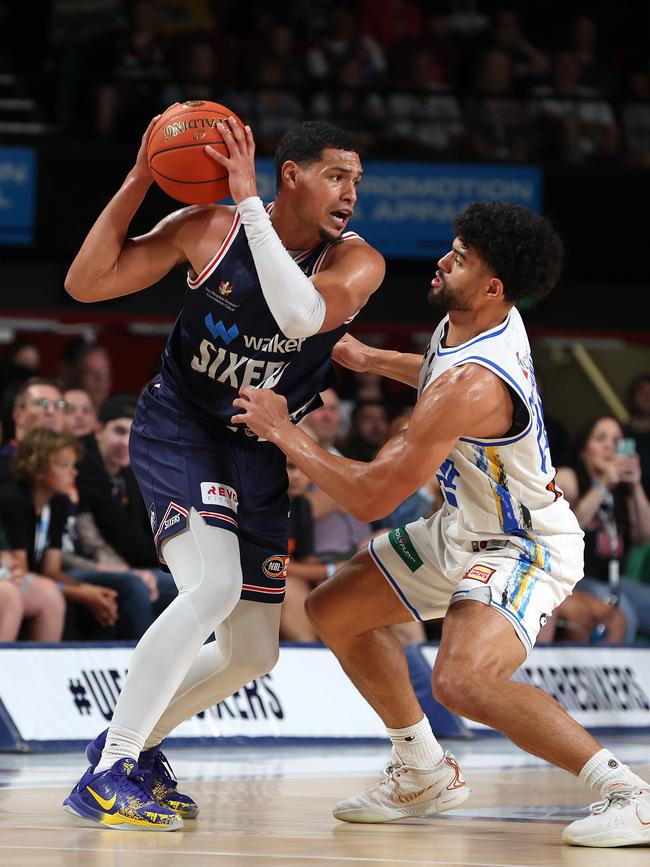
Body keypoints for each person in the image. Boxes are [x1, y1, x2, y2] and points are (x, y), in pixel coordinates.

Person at [233, 201, 650, 848]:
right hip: (464, 525)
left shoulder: (475, 383)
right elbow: (436, 375)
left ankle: (630, 792)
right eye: (450, 248)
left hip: (524, 543)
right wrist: (374, 360)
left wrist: (285, 432)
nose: (441, 261)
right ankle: (422, 768)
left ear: (492, 285)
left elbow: (372, 495)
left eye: (459, 258)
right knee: (335, 608)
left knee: (462, 680)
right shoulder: (477, 319)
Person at [62, 115, 385, 829]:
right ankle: (112, 768)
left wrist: (247, 204)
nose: (351, 193)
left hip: (258, 446)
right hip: (181, 425)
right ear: (291, 175)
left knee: (254, 651)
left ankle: (132, 746)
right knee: (212, 586)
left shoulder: (357, 263)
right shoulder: (207, 229)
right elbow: (85, 284)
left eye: (357, 180)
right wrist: (141, 176)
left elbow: (300, 316)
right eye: (337, 175)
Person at [555, 415, 650, 643]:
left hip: (616, 582)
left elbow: (643, 536)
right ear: (583, 449)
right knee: (623, 615)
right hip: (578, 579)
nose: (610, 446)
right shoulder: (569, 478)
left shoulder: (623, 488)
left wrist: (635, 485)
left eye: (617, 442)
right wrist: (604, 483)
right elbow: (572, 526)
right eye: (601, 438)